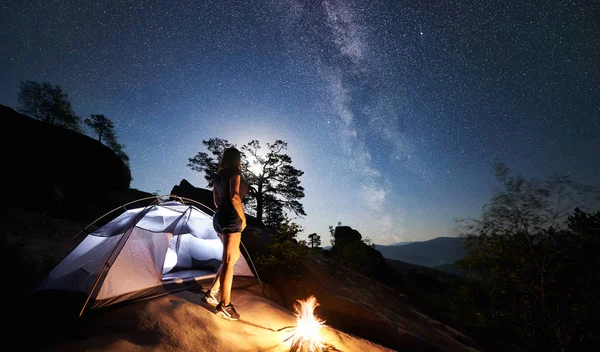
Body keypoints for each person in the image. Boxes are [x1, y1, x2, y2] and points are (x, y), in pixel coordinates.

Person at [201, 147, 248, 321]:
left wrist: (223, 211)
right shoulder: (235, 172)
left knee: (231, 258)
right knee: (229, 261)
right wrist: (242, 218)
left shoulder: (217, 176)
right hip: (231, 218)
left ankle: (211, 292)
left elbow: (216, 200)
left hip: (219, 217)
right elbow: (235, 197)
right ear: (237, 159)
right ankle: (225, 305)